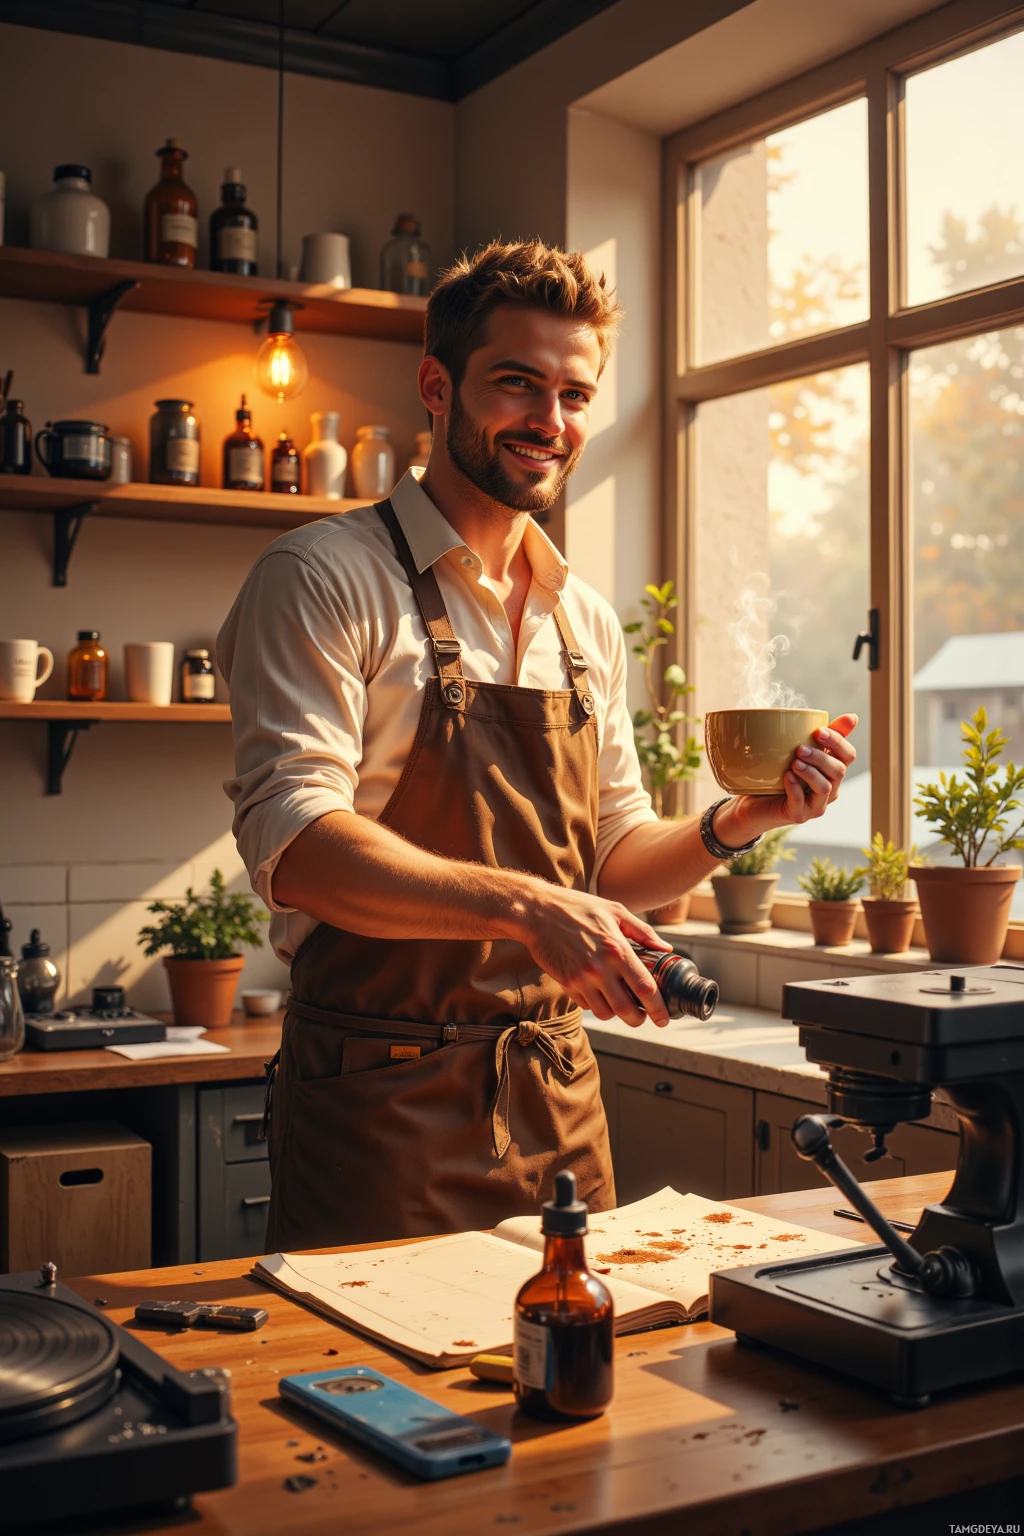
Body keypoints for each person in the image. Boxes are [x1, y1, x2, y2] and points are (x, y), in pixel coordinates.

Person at [218, 239, 856, 1251]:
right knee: (377, 1403)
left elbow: (615, 860)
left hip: (557, 1094)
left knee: (579, 1386)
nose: (549, 423)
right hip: (379, 1103)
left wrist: (744, 820)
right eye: (517, 384)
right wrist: (527, 907)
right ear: (438, 386)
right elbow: (296, 848)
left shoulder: (582, 620)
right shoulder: (321, 577)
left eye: (573, 394)